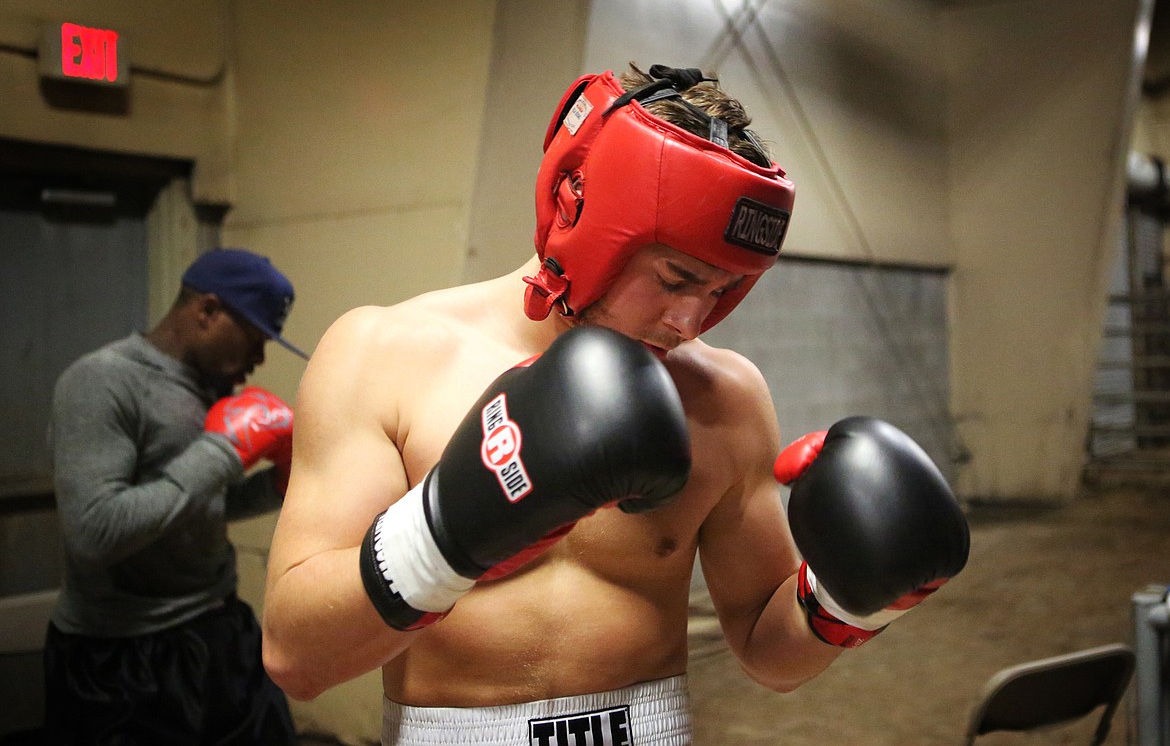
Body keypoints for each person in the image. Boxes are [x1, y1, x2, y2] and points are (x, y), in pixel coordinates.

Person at [262, 64, 970, 746]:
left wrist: (846, 599)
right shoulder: (383, 355)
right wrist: (448, 529)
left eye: (721, 290)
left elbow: (767, 651)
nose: (690, 322)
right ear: (579, 214)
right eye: (675, 277)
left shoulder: (726, 399)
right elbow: (296, 656)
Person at [45, 247, 307, 746]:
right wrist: (222, 451)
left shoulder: (209, 387)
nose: (260, 357)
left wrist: (277, 483)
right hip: (120, 657)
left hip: (218, 630)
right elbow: (93, 533)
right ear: (207, 311)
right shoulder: (100, 382)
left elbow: (195, 508)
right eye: (255, 338)